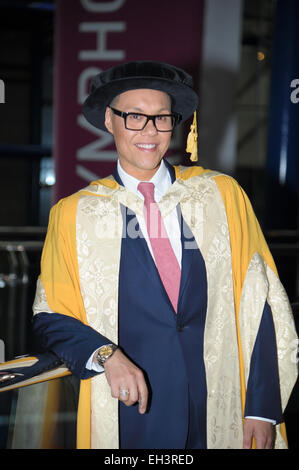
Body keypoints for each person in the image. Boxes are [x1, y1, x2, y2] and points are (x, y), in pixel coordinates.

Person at [32, 60, 298, 450]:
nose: (150, 132)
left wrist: (261, 407)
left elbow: (262, 302)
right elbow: (51, 314)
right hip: (133, 412)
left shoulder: (221, 196)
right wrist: (107, 355)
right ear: (109, 120)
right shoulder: (75, 214)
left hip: (220, 405)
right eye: (135, 117)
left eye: (161, 119)